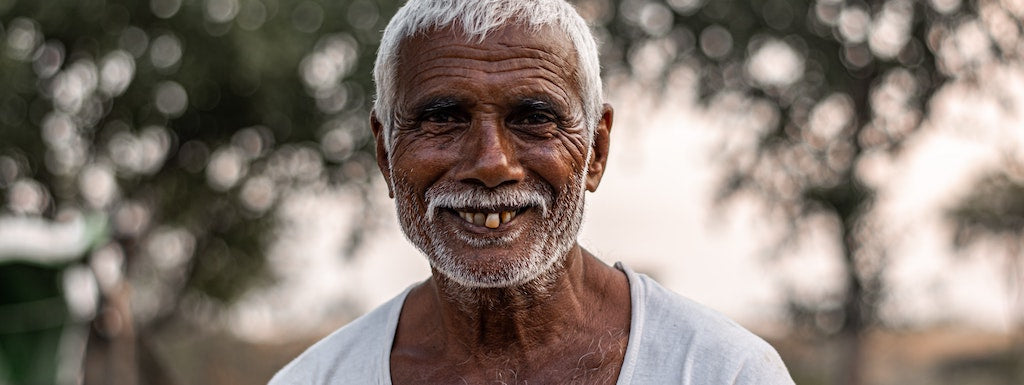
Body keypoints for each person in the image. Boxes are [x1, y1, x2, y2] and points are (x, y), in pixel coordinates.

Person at [270, 0, 795, 383]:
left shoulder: (720, 371)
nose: (492, 164)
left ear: (596, 150)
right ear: (386, 154)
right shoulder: (316, 379)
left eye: (534, 118)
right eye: (443, 117)